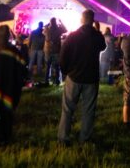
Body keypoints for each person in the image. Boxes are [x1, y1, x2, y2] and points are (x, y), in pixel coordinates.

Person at [57, 10, 106, 145]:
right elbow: (103, 46)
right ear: (92, 21)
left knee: (67, 109)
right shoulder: (96, 36)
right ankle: (85, 139)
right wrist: (97, 30)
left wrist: (66, 72)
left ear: (81, 20)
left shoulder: (72, 36)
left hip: (74, 77)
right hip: (91, 78)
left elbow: (62, 57)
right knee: (88, 110)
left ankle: (63, 138)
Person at [44, 18, 65, 84]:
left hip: (48, 50)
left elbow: (44, 30)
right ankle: (57, 80)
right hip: (56, 50)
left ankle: (46, 80)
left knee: (48, 66)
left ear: (50, 22)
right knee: (57, 66)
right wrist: (61, 22)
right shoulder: (58, 29)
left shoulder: (47, 29)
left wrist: (48, 24)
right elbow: (65, 29)